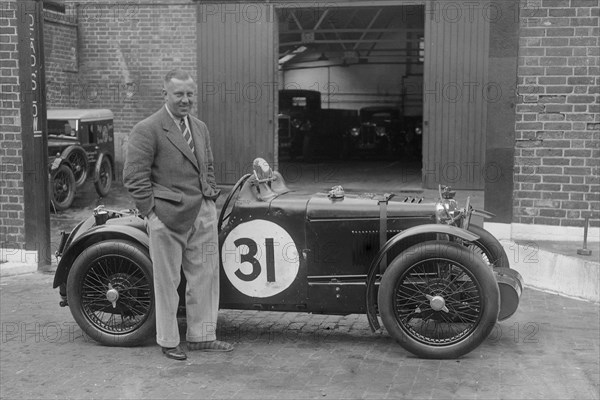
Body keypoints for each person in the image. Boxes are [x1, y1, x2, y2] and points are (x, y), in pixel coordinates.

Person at [123, 69, 233, 360]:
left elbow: (206, 165)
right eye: (179, 94)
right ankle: (169, 341)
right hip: (167, 216)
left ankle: (202, 336)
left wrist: (209, 197)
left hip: (202, 213)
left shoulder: (199, 126)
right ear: (165, 95)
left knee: (205, 277)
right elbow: (134, 177)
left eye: (189, 94)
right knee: (167, 281)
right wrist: (152, 214)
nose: (185, 100)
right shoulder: (148, 129)